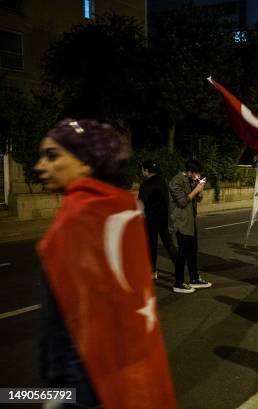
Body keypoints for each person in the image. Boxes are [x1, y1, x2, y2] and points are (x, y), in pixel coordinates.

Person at [35, 119, 176, 408]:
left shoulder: (77, 220)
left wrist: (53, 391)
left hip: (81, 379)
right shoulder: (121, 207)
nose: (40, 166)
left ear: (85, 163)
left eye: (52, 155)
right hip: (123, 372)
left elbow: (59, 321)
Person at [168, 159, 212, 293]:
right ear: (190, 171)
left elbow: (198, 199)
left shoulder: (191, 180)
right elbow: (182, 202)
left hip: (190, 221)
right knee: (183, 252)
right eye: (197, 174)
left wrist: (200, 189)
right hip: (181, 221)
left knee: (193, 250)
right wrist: (196, 190)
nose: (198, 176)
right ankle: (178, 282)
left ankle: (194, 278)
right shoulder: (176, 181)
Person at [139, 160, 177, 280]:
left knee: (152, 246)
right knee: (169, 244)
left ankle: (152, 271)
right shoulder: (164, 182)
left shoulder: (145, 185)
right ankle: (179, 266)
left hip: (151, 220)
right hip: (164, 218)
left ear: (146, 170)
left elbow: (140, 204)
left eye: (143, 169)